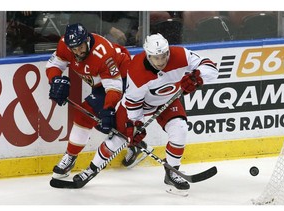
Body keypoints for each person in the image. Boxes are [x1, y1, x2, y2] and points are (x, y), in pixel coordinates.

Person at [72, 33, 218, 196]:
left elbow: (211, 68)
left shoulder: (180, 55)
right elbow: (133, 104)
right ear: (148, 56)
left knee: (180, 129)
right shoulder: (136, 70)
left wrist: (197, 77)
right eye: (156, 58)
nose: (161, 61)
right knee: (118, 139)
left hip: (167, 101)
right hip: (138, 107)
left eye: (164, 56)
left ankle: (172, 173)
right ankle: (91, 170)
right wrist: (135, 126)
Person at [46, 23, 132, 179]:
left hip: (124, 77)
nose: (78, 52)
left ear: (87, 40)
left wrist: (108, 107)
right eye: (74, 49)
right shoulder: (65, 44)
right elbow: (55, 64)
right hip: (100, 82)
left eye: (80, 47)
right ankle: (133, 143)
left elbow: (114, 87)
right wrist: (55, 79)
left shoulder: (103, 54)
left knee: (85, 117)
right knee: (102, 123)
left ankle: (70, 156)